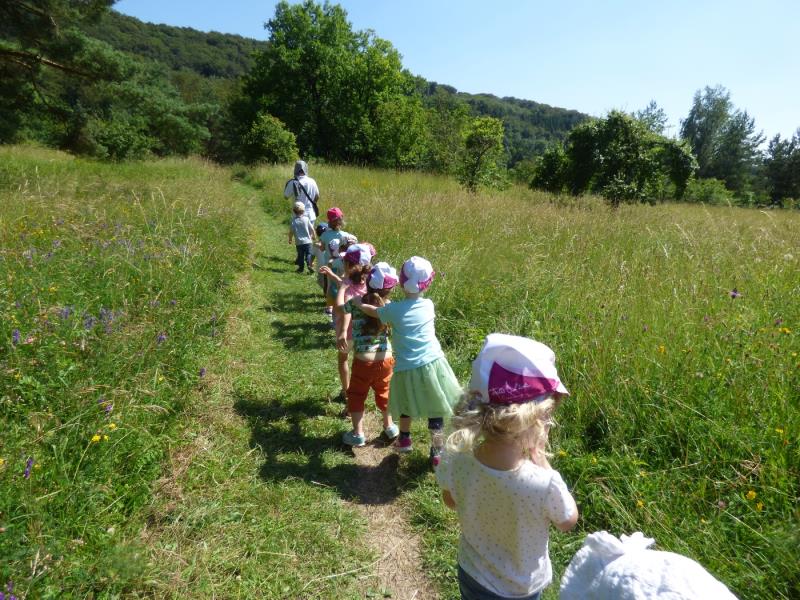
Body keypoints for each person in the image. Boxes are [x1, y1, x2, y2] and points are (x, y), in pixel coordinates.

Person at [436, 333, 578, 600]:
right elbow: (568, 521)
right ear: (538, 419)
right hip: (519, 588)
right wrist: (545, 464)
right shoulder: (544, 483)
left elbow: (450, 500)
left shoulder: (456, 459)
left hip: (472, 572)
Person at [353, 256, 460, 464]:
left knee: (404, 402)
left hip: (406, 366)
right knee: (435, 406)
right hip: (433, 363)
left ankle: (404, 439)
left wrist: (358, 302)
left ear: (400, 282)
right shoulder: (428, 305)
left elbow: (373, 312)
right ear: (427, 283)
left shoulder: (394, 310)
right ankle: (437, 451)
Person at [339, 262, 400, 446]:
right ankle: (389, 426)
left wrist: (343, 288)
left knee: (356, 394)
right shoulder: (390, 307)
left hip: (363, 360)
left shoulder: (356, 303)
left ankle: (358, 434)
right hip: (386, 358)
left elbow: (341, 309)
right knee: (384, 392)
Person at [320, 243, 371, 400]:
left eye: (345, 262)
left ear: (348, 265)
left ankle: (347, 391)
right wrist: (332, 276)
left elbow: (344, 308)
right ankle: (357, 391)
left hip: (347, 332)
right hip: (363, 331)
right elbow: (344, 282)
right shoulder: (368, 284)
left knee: (343, 360)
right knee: (358, 362)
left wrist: (342, 331)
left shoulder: (347, 285)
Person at [287, 201, 316, 273]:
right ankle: (309, 265)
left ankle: (301, 268)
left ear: (294, 211)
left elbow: (291, 232)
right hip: (308, 241)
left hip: (299, 243)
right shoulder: (306, 219)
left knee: (300, 256)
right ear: (303, 210)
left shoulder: (294, 221)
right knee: (308, 254)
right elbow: (312, 229)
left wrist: (290, 239)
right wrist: (314, 236)